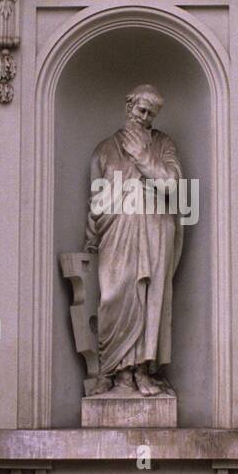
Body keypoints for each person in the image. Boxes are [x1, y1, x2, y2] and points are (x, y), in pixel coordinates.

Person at [85, 85, 183, 397]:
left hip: (155, 228)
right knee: (114, 296)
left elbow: (173, 186)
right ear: (129, 106)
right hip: (116, 232)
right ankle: (116, 371)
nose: (144, 118)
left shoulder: (164, 145)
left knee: (150, 298)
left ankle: (142, 371)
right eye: (141, 110)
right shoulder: (104, 149)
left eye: (151, 114)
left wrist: (143, 157)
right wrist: (91, 236)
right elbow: (96, 198)